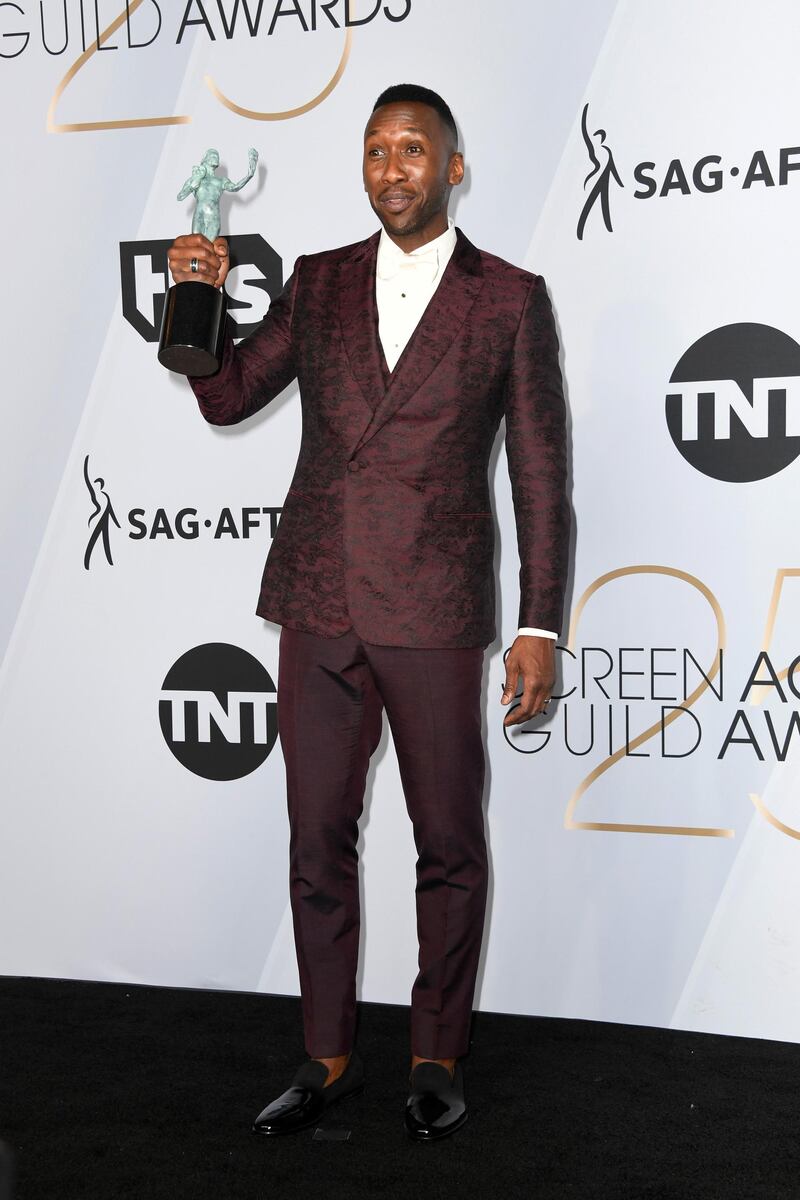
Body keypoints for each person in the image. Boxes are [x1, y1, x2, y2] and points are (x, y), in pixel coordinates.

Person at [167, 83, 570, 1142]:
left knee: (445, 841)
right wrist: (195, 302)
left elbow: (537, 473)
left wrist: (538, 625)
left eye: (411, 151)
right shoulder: (318, 281)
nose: (390, 169)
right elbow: (226, 396)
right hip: (320, 599)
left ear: (452, 169)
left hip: (433, 606)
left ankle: (435, 1053)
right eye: (375, 151)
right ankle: (327, 1050)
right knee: (316, 839)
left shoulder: (507, 299)